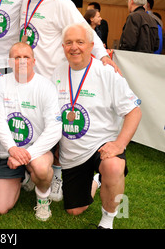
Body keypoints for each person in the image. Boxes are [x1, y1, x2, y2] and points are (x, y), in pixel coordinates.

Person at [19, 0, 119, 202]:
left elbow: (84, 31)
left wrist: (103, 56)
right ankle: (32, 172)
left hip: (57, 82)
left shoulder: (59, 2)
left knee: (59, 132)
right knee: (35, 126)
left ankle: (58, 176)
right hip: (31, 81)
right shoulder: (23, 2)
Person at [51, 23, 142, 229]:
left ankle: (107, 221)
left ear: (91, 45)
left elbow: (134, 111)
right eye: (69, 43)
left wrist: (119, 145)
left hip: (101, 146)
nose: (74, 47)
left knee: (113, 165)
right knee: (74, 210)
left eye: (80, 42)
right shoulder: (57, 73)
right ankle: (96, 181)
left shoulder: (107, 73)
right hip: (72, 153)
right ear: (63, 46)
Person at [0, 42, 62, 221]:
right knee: (0, 208)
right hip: (11, 152)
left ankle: (43, 199)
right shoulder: (1, 82)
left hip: (37, 149)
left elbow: (55, 129)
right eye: (17, 57)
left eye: (26, 57)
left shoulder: (46, 86)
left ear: (34, 61)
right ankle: (25, 176)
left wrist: (26, 155)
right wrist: (12, 149)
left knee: (39, 168)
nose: (22, 61)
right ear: (9, 61)